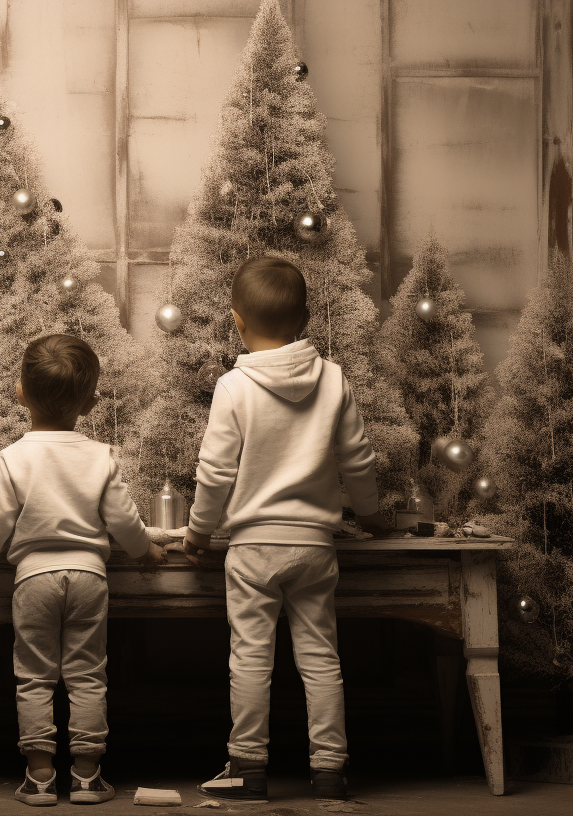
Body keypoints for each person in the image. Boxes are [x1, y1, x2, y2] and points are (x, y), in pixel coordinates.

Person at [182, 257, 390, 803]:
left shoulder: (234, 387)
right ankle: (330, 771)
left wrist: (199, 534)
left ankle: (248, 769)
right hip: (315, 547)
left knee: (250, 657)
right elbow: (358, 461)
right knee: (320, 657)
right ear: (304, 320)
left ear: (237, 321)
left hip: (252, 549)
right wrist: (370, 515)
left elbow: (215, 471)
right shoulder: (334, 379)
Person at [0, 334, 164, 807]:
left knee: (34, 676)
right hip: (89, 577)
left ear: (20, 393)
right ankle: (87, 777)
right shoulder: (98, 456)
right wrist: (145, 550)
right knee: (88, 675)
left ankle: (40, 776)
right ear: (89, 403)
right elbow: (124, 521)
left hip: (34, 580)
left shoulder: (13, 458)